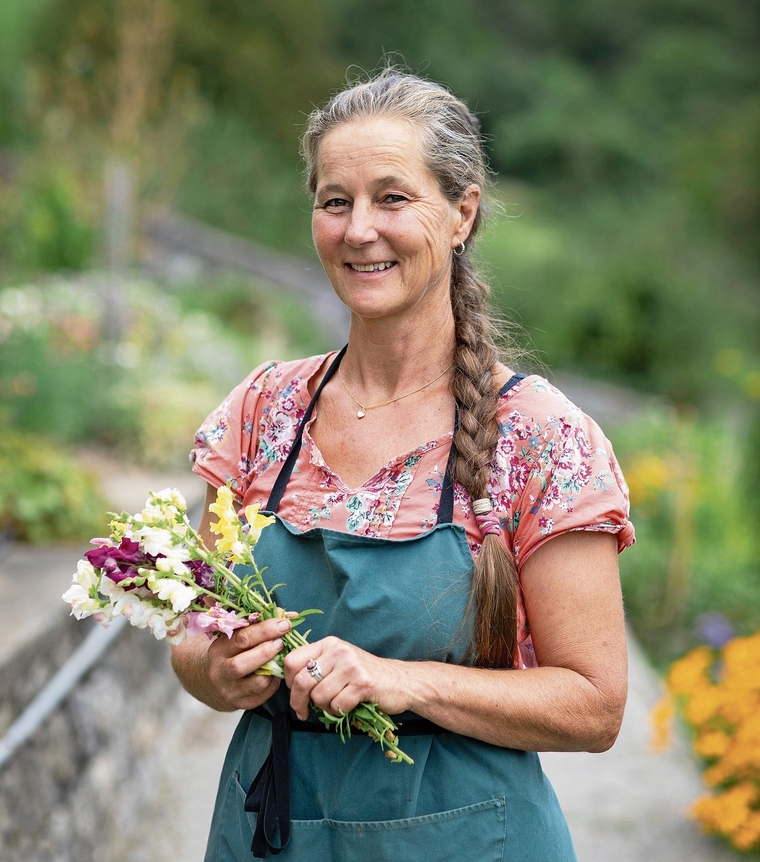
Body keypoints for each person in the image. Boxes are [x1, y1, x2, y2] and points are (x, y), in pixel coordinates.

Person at [172, 67, 635, 861]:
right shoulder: (262, 413)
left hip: (471, 836)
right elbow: (192, 633)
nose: (359, 230)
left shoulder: (540, 436)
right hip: (268, 827)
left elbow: (595, 706)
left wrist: (403, 680)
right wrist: (213, 671)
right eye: (335, 201)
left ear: (462, 213)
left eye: (393, 198)